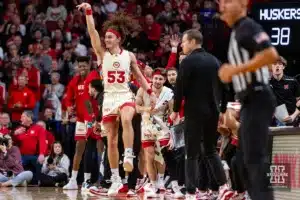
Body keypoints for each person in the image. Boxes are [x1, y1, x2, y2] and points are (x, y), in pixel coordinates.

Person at [77, 2, 156, 196]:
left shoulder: (129, 55)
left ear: (118, 39)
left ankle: (128, 153)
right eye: (106, 37)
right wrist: (88, 12)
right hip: (109, 98)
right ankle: (115, 179)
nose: (106, 39)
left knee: (127, 117)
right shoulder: (101, 54)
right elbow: (93, 32)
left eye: (110, 37)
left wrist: (150, 92)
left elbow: (138, 76)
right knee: (111, 140)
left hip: (124, 95)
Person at [218, 0, 279, 199]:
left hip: (258, 97)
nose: (222, 6)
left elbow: (271, 54)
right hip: (248, 101)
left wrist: (235, 70)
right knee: (242, 161)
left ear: (243, 3)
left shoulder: (247, 26)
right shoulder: (237, 31)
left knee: (254, 159)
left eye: (227, 1)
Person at [170, 29, 229, 200]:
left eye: (183, 41)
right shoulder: (215, 61)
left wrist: (174, 111)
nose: (182, 44)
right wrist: (223, 111)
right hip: (213, 112)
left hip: (194, 112)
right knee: (211, 150)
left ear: (192, 41)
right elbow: (225, 88)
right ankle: (224, 187)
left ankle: (190, 193)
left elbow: (179, 89)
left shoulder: (187, 62)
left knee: (192, 153)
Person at [136, 68, 175, 198]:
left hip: (163, 127)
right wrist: (148, 109)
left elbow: (172, 112)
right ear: (152, 78)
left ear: (164, 80)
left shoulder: (168, 93)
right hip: (147, 125)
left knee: (162, 156)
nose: (158, 81)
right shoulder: (143, 89)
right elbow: (136, 107)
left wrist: (172, 130)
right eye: (156, 78)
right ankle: (153, 184)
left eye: (161, 79)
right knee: (150, 156)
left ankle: (161, 182)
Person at [63, 56, 94, 190]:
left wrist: (92, 116)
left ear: (89, 65)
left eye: (84, 66)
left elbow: (94, 100)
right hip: (81, 120)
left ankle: (94, 180)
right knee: (79, 149)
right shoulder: (74, 81)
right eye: (80, 66)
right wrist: (69, 106)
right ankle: (74, 180)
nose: (82, 69)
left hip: (93, 119)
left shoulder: (94, 77)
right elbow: (68, 99)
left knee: (96, 150)